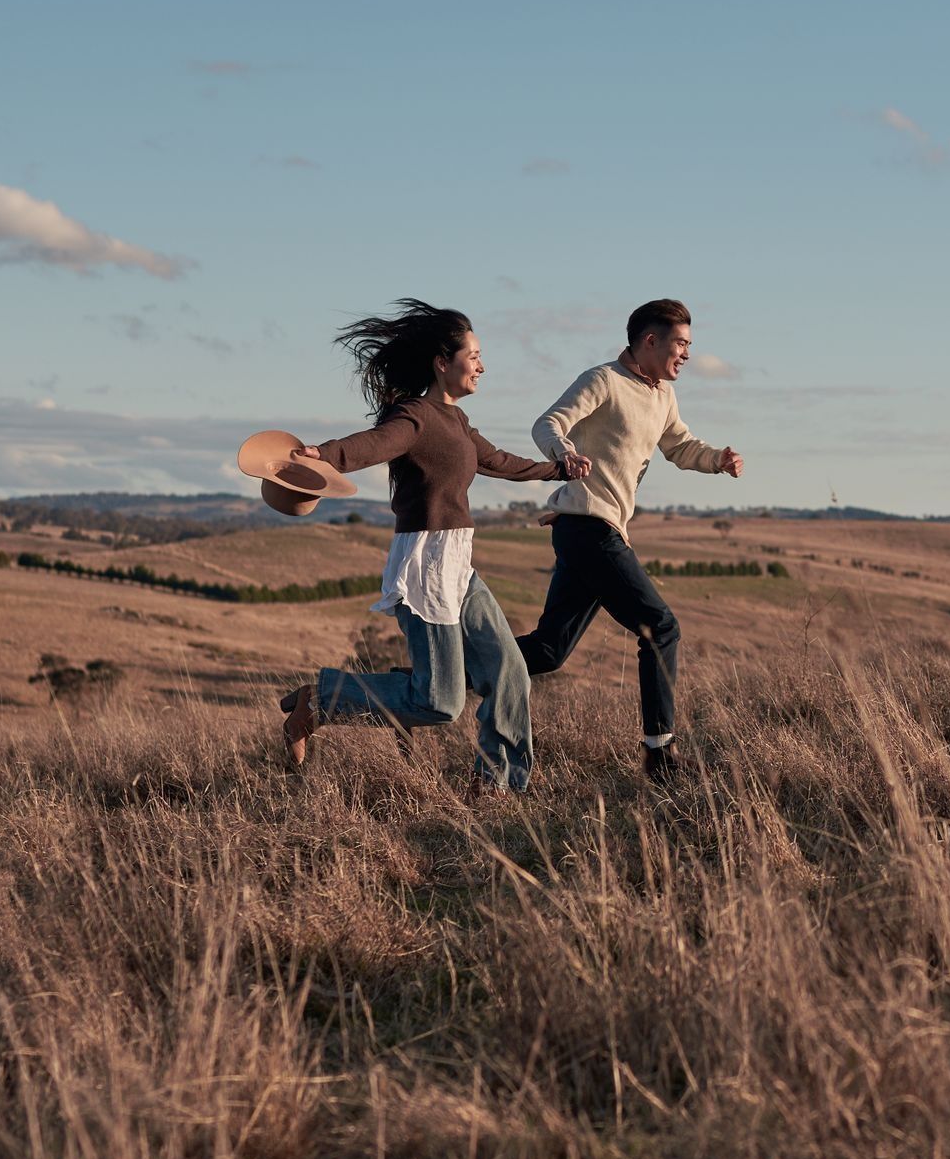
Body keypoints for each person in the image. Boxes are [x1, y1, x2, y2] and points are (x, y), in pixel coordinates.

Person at [276, 300, 586, 792]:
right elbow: (374, 444)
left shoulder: (458, 422)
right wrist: (323, 455)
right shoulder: (417, 416)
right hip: (426, 568)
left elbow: (500, 461)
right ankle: (319, 700)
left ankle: (497, 787)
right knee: (439, 703)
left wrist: (559, 468)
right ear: (443, 362)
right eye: (475, 355)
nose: (482, 366)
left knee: (511, 676)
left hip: (459, 565)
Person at [518, 298, 743, 781]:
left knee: (547, 652)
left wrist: (717, 460)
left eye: (688, 345)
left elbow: (680, 446)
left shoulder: (661, 395)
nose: (686, 354)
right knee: (660, 627)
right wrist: (564, 454)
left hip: (598, 530)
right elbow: (547, 423)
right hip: (586, 527)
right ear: (649, 341)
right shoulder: (603, 380)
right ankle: (660, 755)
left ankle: (432, 682)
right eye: (680, 344)